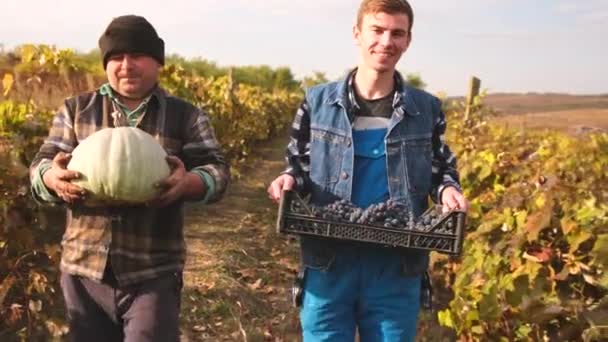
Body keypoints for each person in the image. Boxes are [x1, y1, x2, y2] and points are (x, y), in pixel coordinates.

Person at [267, 0, 468, 340]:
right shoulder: (317, 102)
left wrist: (448, 189)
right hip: (328, 263)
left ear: (407, 41)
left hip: (396, 266)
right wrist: (288, 179)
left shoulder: (426, 109)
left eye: (397, 33)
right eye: (377, 30)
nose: (386, 41)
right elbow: (299, 166)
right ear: (357, 33)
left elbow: (440, 169)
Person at [29, 15, 229, 342]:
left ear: (157, 62)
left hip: (153, 270)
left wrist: (187, 183)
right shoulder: (76, 110)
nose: (126, 65)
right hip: (84, 269)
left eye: (137, 56)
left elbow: (217, 172)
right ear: (106, 63)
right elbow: (42, 164)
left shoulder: (185, 115)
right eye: (117, 57)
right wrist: (52, 177)